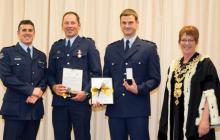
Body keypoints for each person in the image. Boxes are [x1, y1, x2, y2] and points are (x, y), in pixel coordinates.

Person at [102, 9, 161, 140]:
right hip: (115, 109)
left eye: (130, 22)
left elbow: (155, 79)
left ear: (137, 23)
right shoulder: (111, 49)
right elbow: (106, 78)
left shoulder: (148, 48)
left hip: (137, 110)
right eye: (124, 23)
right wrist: (100, 97)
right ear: (120, 24)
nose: (127, 26)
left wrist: (138, 88)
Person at [158, 25, 220, 140]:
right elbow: (168, 97)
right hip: (174, 121)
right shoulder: (174, 65)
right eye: (183, 40)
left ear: (196, 42)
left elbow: (211, 93)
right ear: (179, 42)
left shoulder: (205, 64)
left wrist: (205, 120)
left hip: (195, 121)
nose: (186, 43)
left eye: (190, 40)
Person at [47, 11, 102, 140]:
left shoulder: (88, 45)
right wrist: (54, 86)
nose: (69, 26)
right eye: (66, 23)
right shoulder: (56, 46)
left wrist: (87, 93)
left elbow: (96, 73)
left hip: (81, 103)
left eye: (73, 23)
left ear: (78, 25)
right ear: (62, 26)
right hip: (60, 103)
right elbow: (50, 74)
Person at [0, 20, 47, 140]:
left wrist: (38, 93)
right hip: (15, 109)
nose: (27, 33)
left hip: (34, 109)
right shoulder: (7, 52)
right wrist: (31, 90)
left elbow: (44, 78)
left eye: (30, 30)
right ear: (18, 33)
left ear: (34, 33)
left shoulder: (41, 55)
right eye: (24, 30)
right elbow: (6, 78)